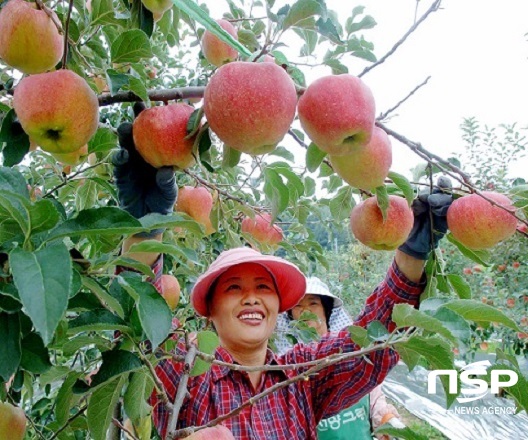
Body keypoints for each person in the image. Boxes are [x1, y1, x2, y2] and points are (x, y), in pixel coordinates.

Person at [113, 109, 452, 440]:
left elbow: (370, 350)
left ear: (277, 307)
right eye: (233, 287)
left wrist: (410, 255)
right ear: (210, 309)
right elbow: (140, 331)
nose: (252, 296)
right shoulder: (187, 372)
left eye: (264, 286)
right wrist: (146, 230)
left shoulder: (299, 377)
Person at [275, 277, 405, 440]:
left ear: (326, 310)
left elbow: (375, 400)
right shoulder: (290, 367)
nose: (305, 310)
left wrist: (387, 422)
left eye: (313, 303)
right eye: (298, 305)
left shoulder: (351, 354)